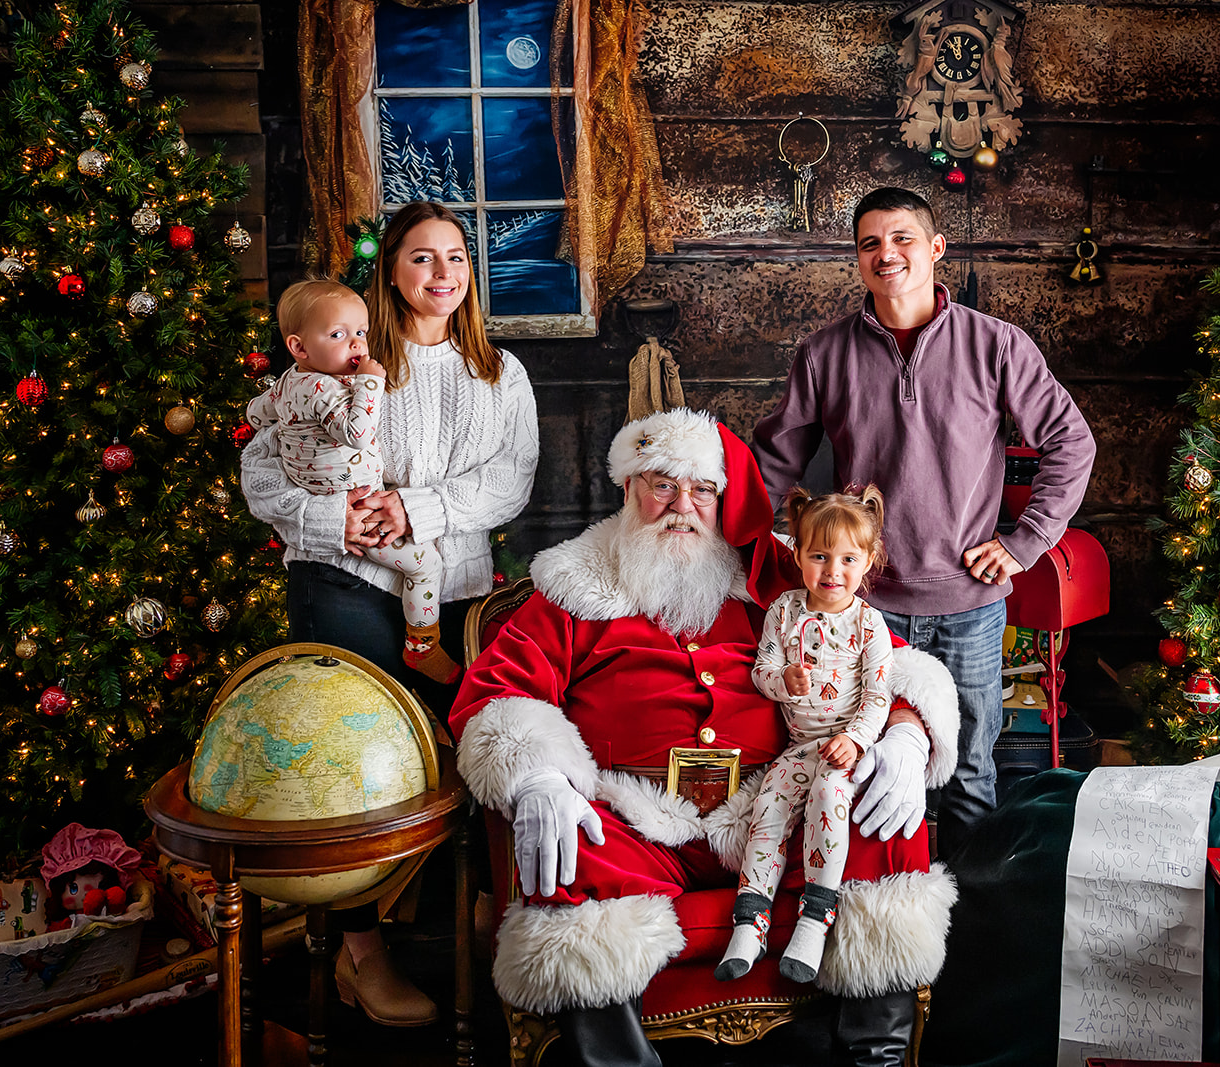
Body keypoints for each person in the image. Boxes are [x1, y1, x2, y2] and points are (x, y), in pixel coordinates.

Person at [450, 408, 959, 1067]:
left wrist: (908, 733)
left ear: (724, 499)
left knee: (880, 818)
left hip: (769, 813)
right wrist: (539, 773)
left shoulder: (777, 576)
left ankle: (876, 1058)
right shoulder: (572, 590)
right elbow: (498, 691)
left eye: (702, 489)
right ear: (628, 488)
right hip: (636, 824)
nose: (681, 505)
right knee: (573, 845)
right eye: (662, 483)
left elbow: (891, 663)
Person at [241, 201, 538, 1027]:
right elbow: (261, 477)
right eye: (420, 259)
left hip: (458, 592)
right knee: (347, 766)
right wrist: (335, 520)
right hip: (341, 582)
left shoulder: (498, 373)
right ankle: (360, 954)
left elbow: (510, 480)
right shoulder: (343, 360)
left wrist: (413, 509)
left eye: (455, 258)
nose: (442, 274)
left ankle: (479, 915)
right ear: (390, 272)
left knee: (472, 762)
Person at [753, 186, 1097, 858]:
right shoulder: (825, 354)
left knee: (969, 774)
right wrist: (799, 544)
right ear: (857, 260)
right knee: (865, 766)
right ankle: (877, 924)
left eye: (903, 238)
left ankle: (967, 938)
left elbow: (1070, 441)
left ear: (936, 249)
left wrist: (1025, 542)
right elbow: (773, 457)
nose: (887, 254)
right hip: (866, 608)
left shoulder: (995, 345)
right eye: (870, 243)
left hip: (969, 606)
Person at [717, 485, 897, 985]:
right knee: (767, 808)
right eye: (819, 556)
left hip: (843, 747)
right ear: (797, 555)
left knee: (828, 795)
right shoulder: (784, 612)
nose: (832, 572)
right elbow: (762, 668)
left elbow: (878, 695)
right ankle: (750, 920)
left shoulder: (869, 625)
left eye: (846, 559)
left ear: (867, 561)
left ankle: (816, 918)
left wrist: (858, 739)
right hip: (799, 747)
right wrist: (782, 681)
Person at [247, 278, 458, 684]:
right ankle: (423, 646)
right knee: (426, 564)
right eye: (339, 335)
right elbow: (357, 432)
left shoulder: (288, 382)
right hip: (358, 509)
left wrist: (284, 427)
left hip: (335, 499)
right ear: (300, 347)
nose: (357, 345)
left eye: (360, 333)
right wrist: (369, 383)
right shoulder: (326, 389)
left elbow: (258, 413)